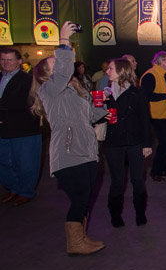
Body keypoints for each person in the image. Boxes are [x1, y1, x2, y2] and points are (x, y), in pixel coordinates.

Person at [29, 21, 106, 256]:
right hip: (68, 152)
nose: (63, 64)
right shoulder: (48, 90)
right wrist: (63, 41)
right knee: (81, 197)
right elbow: (62, 72)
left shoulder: (73, 91)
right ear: (46, 75)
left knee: (84, 198)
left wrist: (105, 106)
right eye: (55, 63)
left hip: (87, 150)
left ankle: (81, 238)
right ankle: (75, 243)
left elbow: (90, 116)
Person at [104, 59, 152, 227]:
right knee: (117, 181)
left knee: (137, 180)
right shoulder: (105, 94)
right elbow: (94, 117)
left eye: (110, 68)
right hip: (113, 142)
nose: (107, 71)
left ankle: (140, 213)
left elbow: (145, 119)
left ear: (121, 71)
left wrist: (147, 144)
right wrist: (100, 108)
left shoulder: (137, 92)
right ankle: (115, 215)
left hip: (134, 141)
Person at [0, 47, 42, 206]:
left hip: (24, 129)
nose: (6, 63)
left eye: (9, 60)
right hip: (3, 130)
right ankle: (14, 188)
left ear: (19, 61)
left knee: (26, 163)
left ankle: (26, 191)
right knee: (5, 162)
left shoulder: (29, 80)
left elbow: (32, 105)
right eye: (3, 59)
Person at [140, 51, 166, 182]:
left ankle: (163, 169)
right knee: (164, 143)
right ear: (161, 61)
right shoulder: (150, 75)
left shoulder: (165, 75)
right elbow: (146, 96)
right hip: (158, 116)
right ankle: (156, 171)